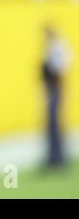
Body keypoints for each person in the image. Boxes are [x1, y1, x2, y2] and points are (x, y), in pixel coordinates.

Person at [42, 26, 70, 167]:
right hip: (53, 88)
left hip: (55, 88)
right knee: (53, 124)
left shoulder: (57, 47)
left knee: (55, 124)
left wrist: (55, 89)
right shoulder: (53, 46)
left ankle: (57, 158)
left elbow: (60, 70)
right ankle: (55, 157)